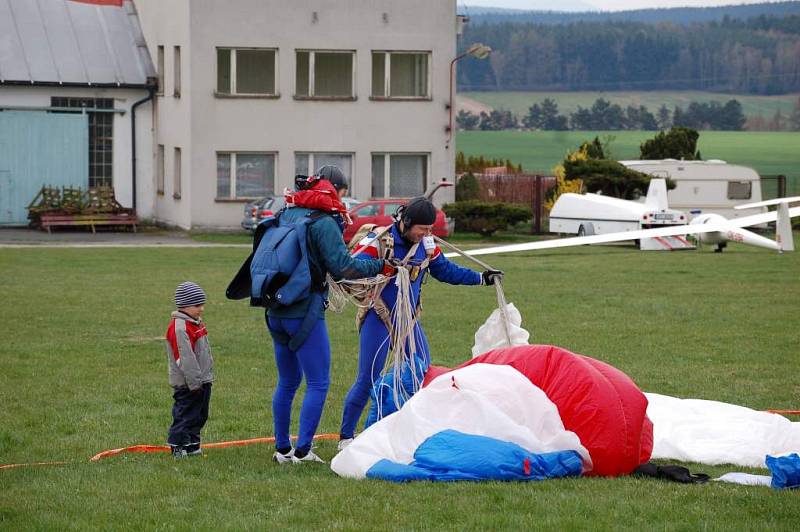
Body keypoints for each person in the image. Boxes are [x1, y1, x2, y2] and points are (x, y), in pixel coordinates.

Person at [338, 196, 503, 449]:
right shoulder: (379, 241)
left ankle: (400, 426)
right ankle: (346, 438)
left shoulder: (427, 245)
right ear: (406, 222)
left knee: (420, 372)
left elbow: (445, 270)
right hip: (379, 317)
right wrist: (381, 266)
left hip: (408, 320)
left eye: (430, 229)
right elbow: (349, 269)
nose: (427, 234)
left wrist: (481, 278)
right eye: (422, 229)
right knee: (368, 378)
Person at [264, 165, 391, 464]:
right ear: (334, 189)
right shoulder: (324, 221)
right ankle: (304, 450)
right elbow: (343, 267)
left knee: (287, 381)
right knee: (318, 382)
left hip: (275, 309)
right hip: (304, 310)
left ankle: (282, 449)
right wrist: (380, 266)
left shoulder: (288, 211)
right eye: (343, 194)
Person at [165, 281, 214, 459]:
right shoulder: (179, 327)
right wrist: (195, 383)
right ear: (184, 305)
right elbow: (185, 358)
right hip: (189, 384)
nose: (201, 308)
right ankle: (178, 446)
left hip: (202, 380)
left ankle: (193, 445)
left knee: (200, 415)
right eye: (197, 305)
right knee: (185, 415)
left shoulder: (195, 322)